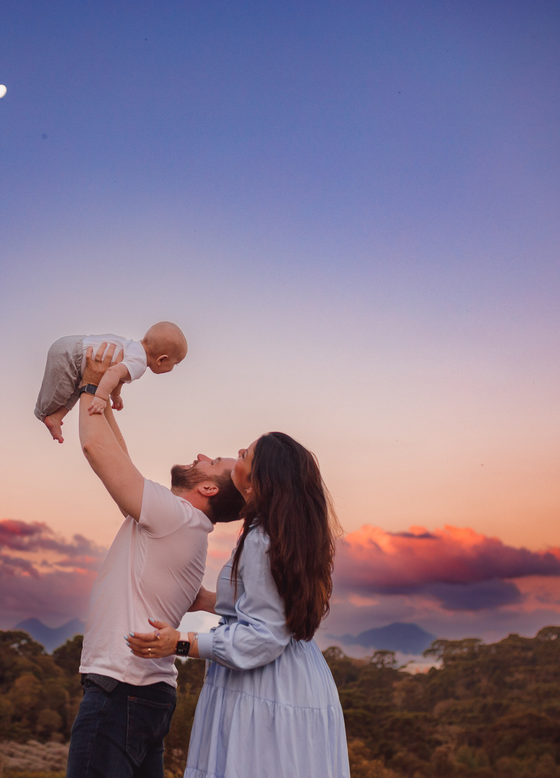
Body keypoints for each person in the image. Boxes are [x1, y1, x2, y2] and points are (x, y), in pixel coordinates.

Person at [125, 432, 350, 778]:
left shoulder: (262, 541)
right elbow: (271, 608)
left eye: (248, 454)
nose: (240, 452)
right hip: (296, 677)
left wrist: (181, 642)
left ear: (262, 478)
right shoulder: (281, 536)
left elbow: (264, 636)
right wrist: (207, 601)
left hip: (265, 685)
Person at [67, 343, 246, 778]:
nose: (202, 455)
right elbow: (120, 460)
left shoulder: (177, 519)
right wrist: (104, 400)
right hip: (149, 695)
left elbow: (96, 450)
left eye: (213, 462)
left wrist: (90, 383)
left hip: (119, 690)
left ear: (208, 490)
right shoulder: (185, 530)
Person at [35, 322, 188, 443]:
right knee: (58, 394)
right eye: (175, 364)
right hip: (70, 354)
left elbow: (117, 376)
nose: (173, 368)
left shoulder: (133, 349)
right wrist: (101, 398)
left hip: (75, 351)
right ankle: (43, 413)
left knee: (77, 389)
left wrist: (115, 396)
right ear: (162, 359)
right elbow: (112, 373)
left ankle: (55, 418)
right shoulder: (139, 363)